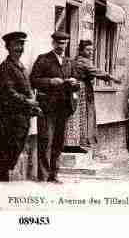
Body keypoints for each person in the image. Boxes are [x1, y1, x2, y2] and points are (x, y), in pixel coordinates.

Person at [30, 31, 80, 183]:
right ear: (53, 43)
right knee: (46, 140)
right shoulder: (43, 59)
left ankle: (54, 175)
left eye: (64, 43)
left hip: (63, 108)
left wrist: (74, 83)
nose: (61, 46)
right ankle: (43, 177)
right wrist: (50, 81)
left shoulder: (69, 62)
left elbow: (77, 85)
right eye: (59, 43)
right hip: (47, 108)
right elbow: (33, 80)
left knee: (58, 142)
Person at [0, 32, 42, 182]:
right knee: (7, 151)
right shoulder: (6, 67)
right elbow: (8, 92)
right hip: (10, 118)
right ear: (8, 47)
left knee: (14, 150)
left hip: (22, 117)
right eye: (16, 45)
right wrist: (27, 101)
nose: (20, 48)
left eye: (22, 44)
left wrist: (33, 106)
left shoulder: (20, 66)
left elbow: (25, 88)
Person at [73, 39, 121, 147]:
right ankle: (83, 139)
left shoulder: (83, 60)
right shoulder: (82, 61)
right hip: (82, 89)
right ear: (81, 50)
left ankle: (83, 139)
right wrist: (112, 78)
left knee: (86, 112)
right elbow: (96, 71)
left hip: (85, 88)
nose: (90, 52)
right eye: (87, 50)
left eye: (92, 50)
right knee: (84, 112)